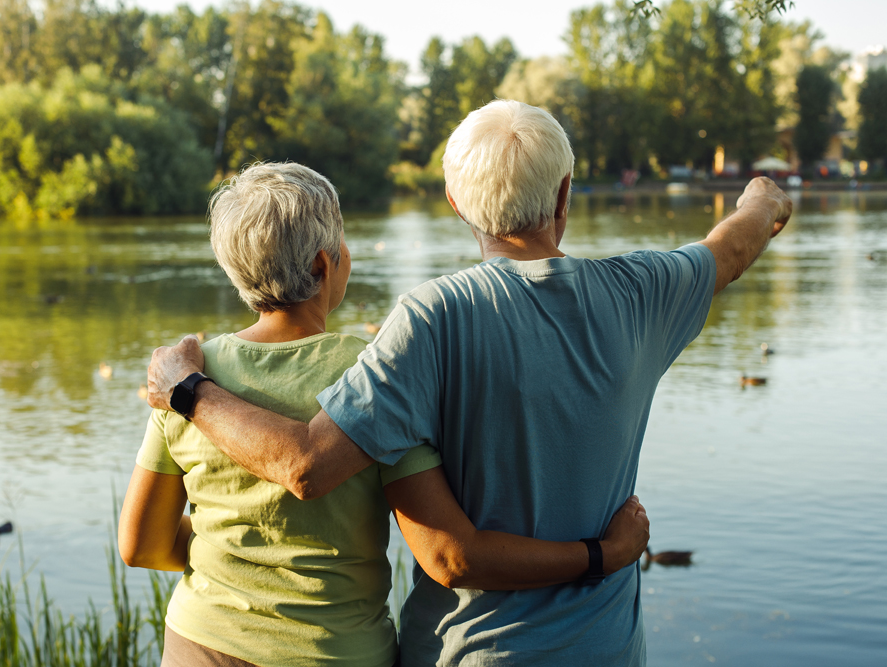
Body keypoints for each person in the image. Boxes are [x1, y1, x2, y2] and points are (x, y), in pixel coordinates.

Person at [146, 101, 792, 665]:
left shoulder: (431, 319)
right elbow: (731, 248)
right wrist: (763, 201)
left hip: (467, 651)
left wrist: (187, 388)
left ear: (457, 204)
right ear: (565, 193)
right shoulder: (642, 292)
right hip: (606, 651)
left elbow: (309, 463)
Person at [119, 162, 651, 667]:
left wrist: (224, 542)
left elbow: (140, 544)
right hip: (335, 653)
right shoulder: (374, 373)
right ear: (325, 264)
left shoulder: (184, 374)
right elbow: (449, 554)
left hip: (198, 645)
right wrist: (601, 554)